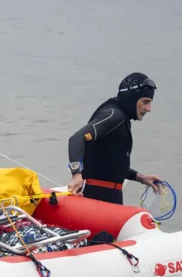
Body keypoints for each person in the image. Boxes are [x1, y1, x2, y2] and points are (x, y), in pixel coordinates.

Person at [66, 72, 163, 205]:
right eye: (145, 102)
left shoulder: (122, 118)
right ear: (131, 98)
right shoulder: (113, 116)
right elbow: (76, 139)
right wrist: (76, 174)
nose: (149, 108)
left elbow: (109, 163)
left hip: (108, 198)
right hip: (96, 199)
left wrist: (140, 177)